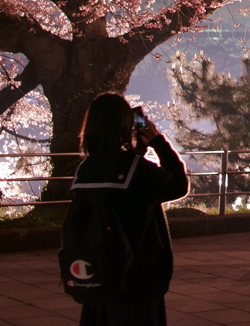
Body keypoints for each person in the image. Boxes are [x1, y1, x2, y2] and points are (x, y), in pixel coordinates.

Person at [67, 93, 188, 325]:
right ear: (126, 125)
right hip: (137, 277)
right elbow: (179, 185)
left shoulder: (86, 169)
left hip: (99, 273)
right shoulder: (139, 171)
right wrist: (157, 142)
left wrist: (135, 154)